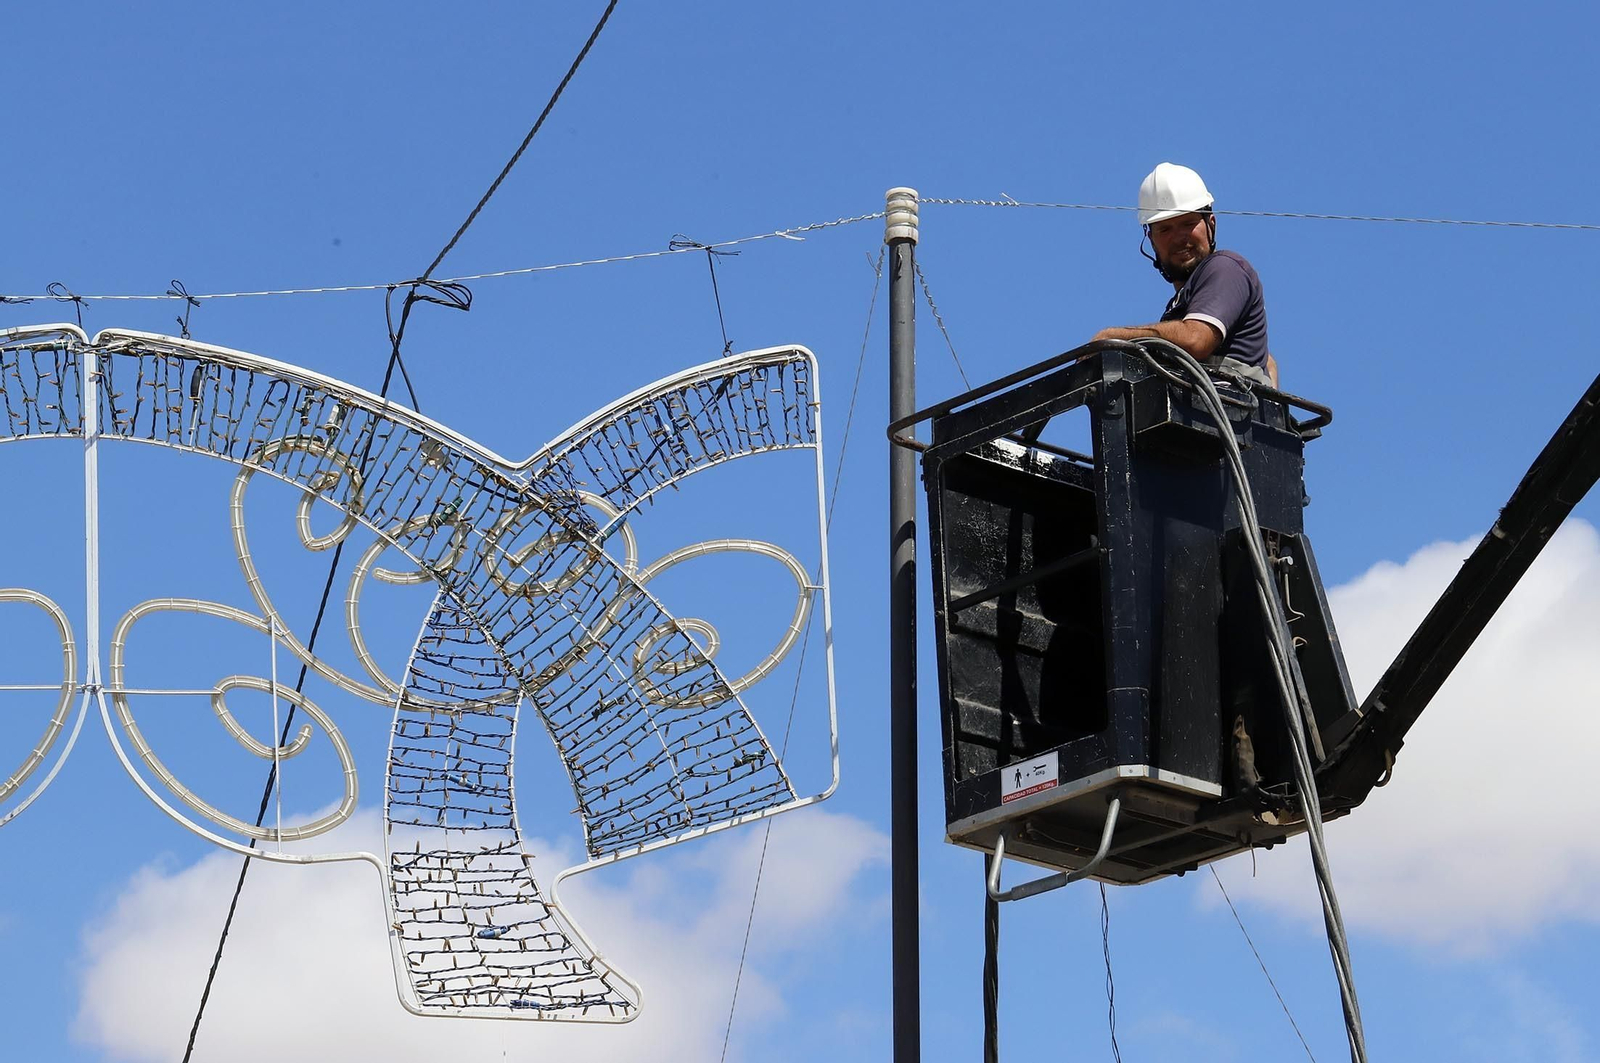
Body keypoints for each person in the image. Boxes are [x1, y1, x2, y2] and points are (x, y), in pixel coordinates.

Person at [1092, 163, 1278, 388]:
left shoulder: (1226, 267)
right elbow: (1268, 362)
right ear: (1151, 240)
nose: (1179, 238)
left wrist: (1114, 337)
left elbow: (1196, 340)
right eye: (1165, 229)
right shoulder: (1181, 307)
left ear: (1211, 223)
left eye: (1188, 223)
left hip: (1223, 417)